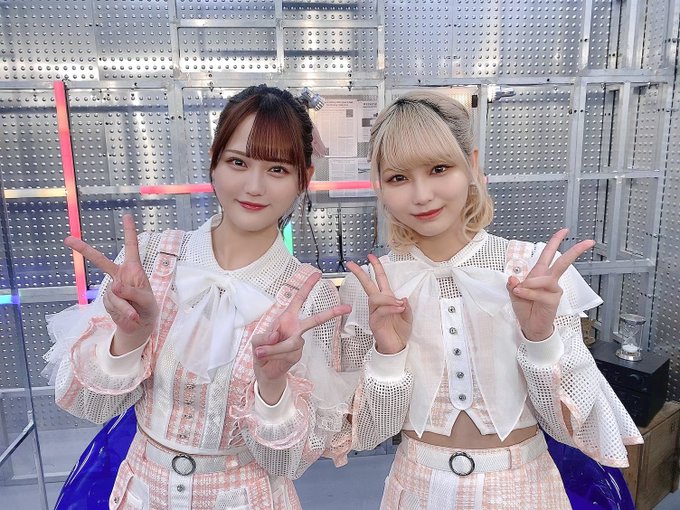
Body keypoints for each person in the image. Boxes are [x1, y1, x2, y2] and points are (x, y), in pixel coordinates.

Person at [43, 84, 356, 510]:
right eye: (238, 162)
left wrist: (273, 388)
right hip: (141, 495)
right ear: (213, 162)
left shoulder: (309, 297)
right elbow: (87, 403)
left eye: (278, 169)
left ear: (305, 177)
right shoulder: (149, 259)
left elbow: (291, 461)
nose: (254, 186)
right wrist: (130, 337)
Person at [339, 90, 643, 509]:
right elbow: (368, 434)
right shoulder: (372, 287)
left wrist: (540, 338)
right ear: (380, 186)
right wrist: (389, 355)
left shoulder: (532, 269)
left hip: (524, 488)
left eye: (439, 168)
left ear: (472, 164)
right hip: (415, 488)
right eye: (398, 178)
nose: (422, 195)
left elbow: (567, 427)